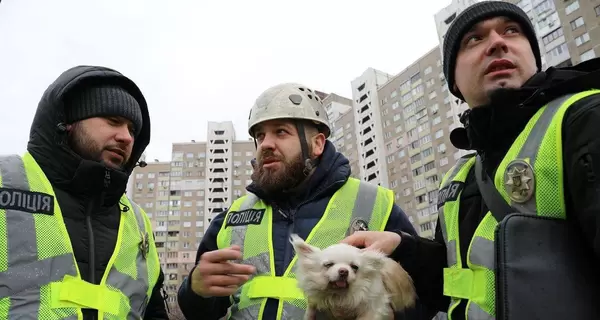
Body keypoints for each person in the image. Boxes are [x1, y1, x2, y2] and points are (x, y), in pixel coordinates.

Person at [341, 1, 600, 319]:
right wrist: (403, 247)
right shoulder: (459, 178)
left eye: (512, 30)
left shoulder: (584, 121)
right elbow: (458, 283)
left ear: (535, 57)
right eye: (474, 39)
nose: (497, 42)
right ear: (454, 83)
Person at [178, 83, 422, 319]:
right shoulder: (232, 218)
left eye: (280, 132)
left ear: (317, 144)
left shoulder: (373, 203)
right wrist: (195, 290)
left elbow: (425, 295)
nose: (266, 145)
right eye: (260, 136)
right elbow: (199, 312)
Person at [0, 65, 167, 319]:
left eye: (133, 130)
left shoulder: (138, 222)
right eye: (113, 121)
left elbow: (153, 311)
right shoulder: (5, 181)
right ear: (67, 123)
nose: (126, 137)